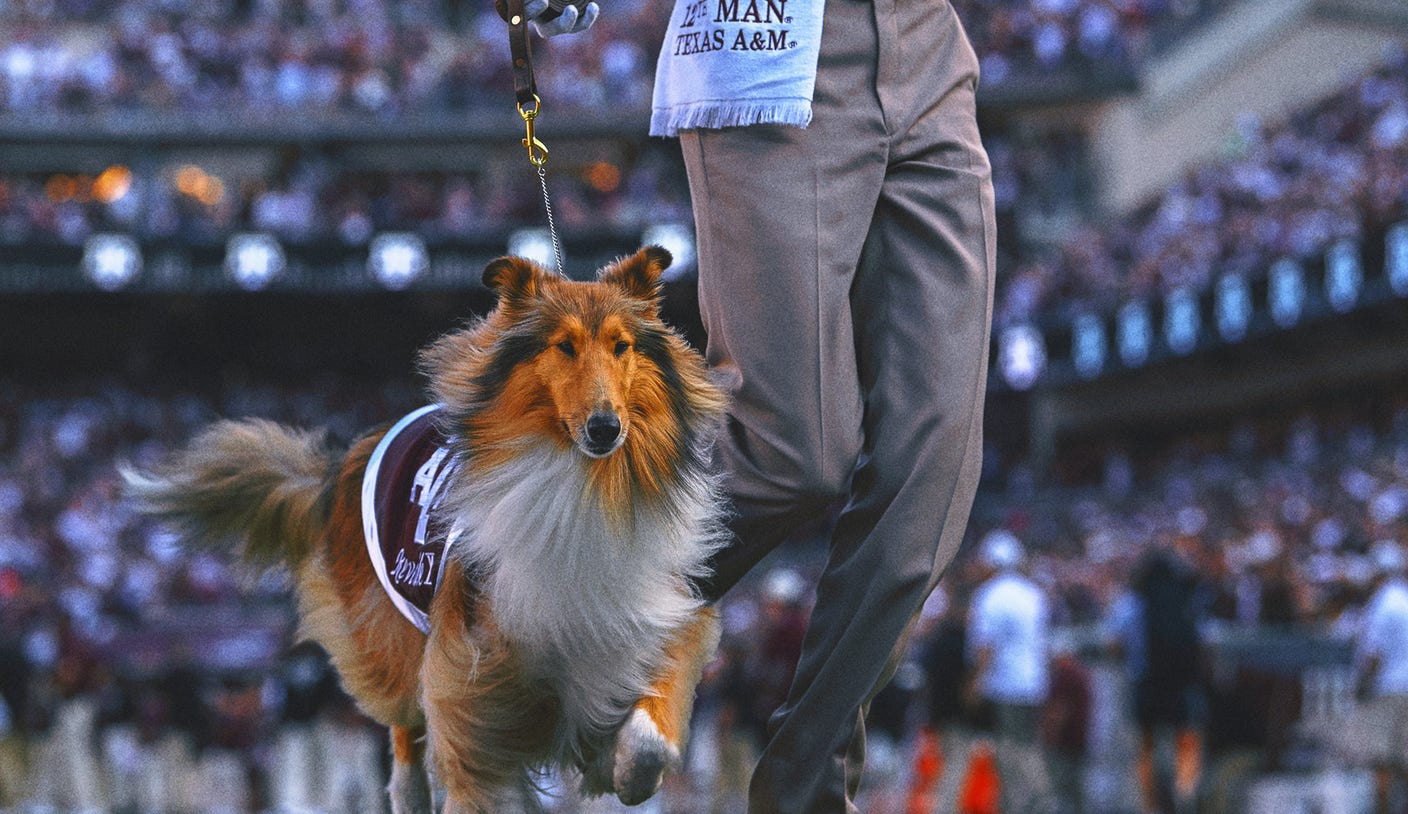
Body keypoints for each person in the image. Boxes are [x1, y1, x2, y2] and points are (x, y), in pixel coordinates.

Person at [532, 0, 993, 804]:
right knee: (791, 451)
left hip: (930, 48)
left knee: (935, 473)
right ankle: (539, 626)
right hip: (772, 38)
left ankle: (806, 794)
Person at [1105, 547, 1206, 814]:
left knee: (1146, 745)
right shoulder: (1185, 599)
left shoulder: (1131, 602)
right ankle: (1186, 795)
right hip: (1182, 683)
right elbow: (1202, 638)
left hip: (1146, 682)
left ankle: (1150, 805)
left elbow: (1114, 644)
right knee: (1184, 739)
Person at [965, 530, 1052, 813]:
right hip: (1034, 683)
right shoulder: (1033, 592)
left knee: (1011, 753)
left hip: (1005, 685)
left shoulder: (990, 595)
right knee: (1027, 747)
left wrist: (975, 683)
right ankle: (1028, 802)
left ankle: (1039, 801)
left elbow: (986, 647)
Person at [1354, 540, 1408, 814]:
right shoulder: (1405, 598)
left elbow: (1373, 656)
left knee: (1383, 765)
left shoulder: (1382, 602)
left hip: (1389, 691)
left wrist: (1361, 687)